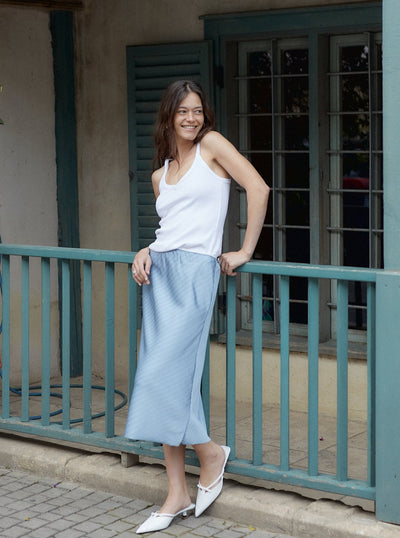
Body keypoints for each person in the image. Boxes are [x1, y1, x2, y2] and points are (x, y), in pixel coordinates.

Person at [125, 80, 269, 534]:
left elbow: (259, 188)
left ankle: (208, 453)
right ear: (167, 116)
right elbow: (174, 225)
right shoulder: (160, 172)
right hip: (160, 274)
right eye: (183, 111)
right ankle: (178, 491)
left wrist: (244, 251)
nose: (192, 118)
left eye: (198, 111)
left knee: (161, 376)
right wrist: (146, 248)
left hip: (195, 274)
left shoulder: (212, 145)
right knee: (167, 381)